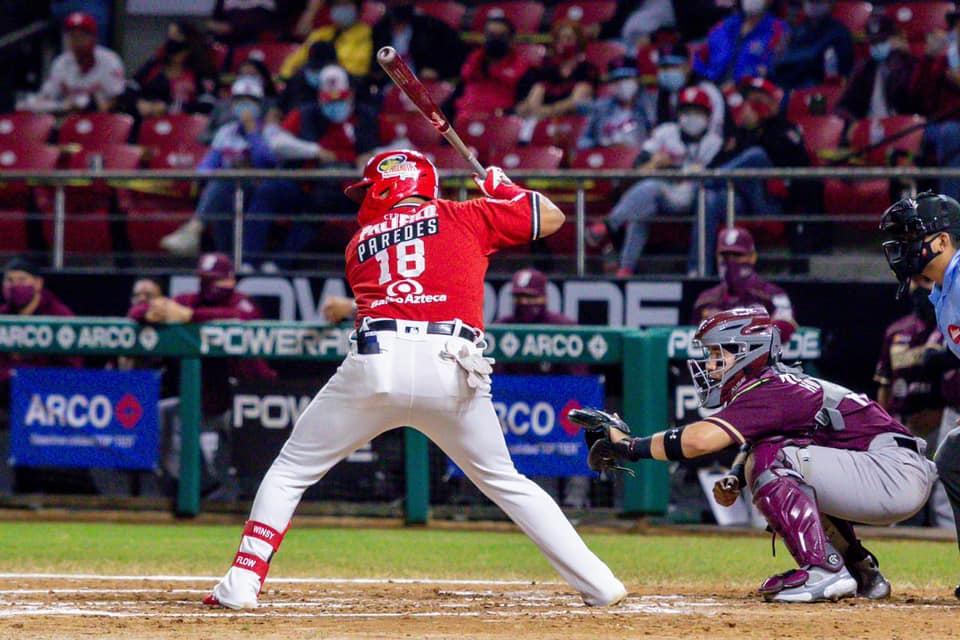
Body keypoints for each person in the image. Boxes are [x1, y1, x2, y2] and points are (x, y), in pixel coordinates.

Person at [202, 149, 627, 610]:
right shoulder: (466, 215)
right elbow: (552, 216)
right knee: (509, 482)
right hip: (454, 365)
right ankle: (599, 583)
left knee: (289, 472)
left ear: (390, 186)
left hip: (376, 362)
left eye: (369, 190)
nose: (364, 199)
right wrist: (504, 190)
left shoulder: (360, 242)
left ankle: (243, 582)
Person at [572, 307, 937, 602]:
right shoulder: (776, 384)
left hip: (892, 471)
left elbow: (698, 441)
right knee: (770, 459)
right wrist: (736, 472)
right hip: (893, 469)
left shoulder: (771, 386)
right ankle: (860, 571)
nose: (711, 365)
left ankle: (823, 570)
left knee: (772, 460)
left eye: (719, 354)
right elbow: (763, 440)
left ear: (747, 354)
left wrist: (628, 446)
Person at [130, 253, 276, 498]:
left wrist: (189, 317)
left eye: (217, 280)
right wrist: (151, 312)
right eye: (205, 279)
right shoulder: (190, 300)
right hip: (202, 406)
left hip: (243, 404)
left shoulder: (242, 302)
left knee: (254, 446)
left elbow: (242, 318)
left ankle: (254, 494)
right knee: (162, 414)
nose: (211, 285)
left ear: (230, 280)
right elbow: (139, 310)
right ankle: (196, 486)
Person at [879, 190, 960, 598]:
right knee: (952, 458)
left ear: (943, 241)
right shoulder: (943, 290)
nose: (906, 247)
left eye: (915, 236)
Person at [249, 63, 379, 270]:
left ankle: (280, 263)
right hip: (308, 184)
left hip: (352, 191)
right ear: (320, 95)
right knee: (269, 190)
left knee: (323, 201)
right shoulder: (305, 114)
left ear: (351, 94)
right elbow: (277, 143)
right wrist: (314, 151)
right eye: (329, 99)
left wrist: (375, 157)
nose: (335, 104)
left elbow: (403, 146)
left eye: (341, 98)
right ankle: (248, 260)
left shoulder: (367, 116)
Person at [586, 86, 724, 276]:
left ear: (708, 116)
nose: (691, 117)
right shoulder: (666, 132)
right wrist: (655, 163)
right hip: (663, 194)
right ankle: (626, 269)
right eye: (687, 111)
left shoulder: (714, 142)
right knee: (644, 207)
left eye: (697, 111)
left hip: (694, 197)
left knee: (655, 189)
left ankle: (607, 226)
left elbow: (713, 178)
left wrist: (688, 170)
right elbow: (637, 171)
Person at [689, 76, 811, 274]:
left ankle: (705, 182)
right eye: (751, 100)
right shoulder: (739, 134)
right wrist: (748, 131)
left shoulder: (785, 129)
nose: (754, 106)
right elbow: (717, 163)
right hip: (741, 202)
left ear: (773, 101)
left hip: (772, 204)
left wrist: (761, 131)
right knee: (709, 199)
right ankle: (698, 270)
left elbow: (799, 168)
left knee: (757, 156)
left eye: (760, 101)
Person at [160, 76, 277, 256]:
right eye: (239, 100)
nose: (244, 105)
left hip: (258, 191)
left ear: (259, 105)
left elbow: (266, 162)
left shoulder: (269, 131)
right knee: (222, 189)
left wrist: (252, 132)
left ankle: (194, 228)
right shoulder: (226, 131)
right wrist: (204, 177)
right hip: (227, 192)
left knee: (223, 182)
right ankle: (226, 261)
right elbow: (208, 163)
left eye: (249, 101)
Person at [691, 226, 798, 342]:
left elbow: (785, 327)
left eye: (737, 255)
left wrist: (741, 332)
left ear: (752, 257)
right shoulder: (706, 299)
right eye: (725, 256)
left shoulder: (773, 294)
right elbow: (692, 339)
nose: (730, 261)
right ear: (717, 257)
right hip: (718, 358)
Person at [0, 256, 83, 398]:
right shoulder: (3, 315)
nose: (15, 286)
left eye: (22, 280)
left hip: (46, 396)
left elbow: (71, 369)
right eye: (9, 280)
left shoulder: (59, 315)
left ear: (38, 283)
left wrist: (24, 376)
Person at [16, 12, 125, 114]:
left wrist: (89, 108)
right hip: (67, 120)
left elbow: (117, 100)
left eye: (81, 35)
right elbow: (46, 96)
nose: (76, 40)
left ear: (94, 37)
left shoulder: (109, 60)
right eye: (72, 35)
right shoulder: (61, 62)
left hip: (102, 123)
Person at [129, 21, 218, 120]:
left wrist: (169, 108)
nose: (171, 41)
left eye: (176, 36)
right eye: (169, 37)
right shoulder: (155, 64)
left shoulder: (201, 68)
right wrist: (139, 103)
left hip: (186, 124)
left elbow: (207, 104)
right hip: (151, 121)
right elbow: (131, 88)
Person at [834, 13, 915, 122]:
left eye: (882, 41)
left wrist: (898, 61)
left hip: (900, 125)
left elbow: (912, 100)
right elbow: (845, 105)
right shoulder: (863, 68)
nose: (876, 46)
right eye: (873, 42)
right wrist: (854, 124)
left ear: (895, 38)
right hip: (868, 127)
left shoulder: (909, 64)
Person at [515, 20, 598, 123]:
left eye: (569, 38)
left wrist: (548, 111)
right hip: (539, 119)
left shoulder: (586, 69)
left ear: (579, 42)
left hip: (571, 120)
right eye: (560, 38)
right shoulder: (545, 68)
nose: (564, 42)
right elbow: (533, 97)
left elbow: (577, 100)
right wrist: (529, 108)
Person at [453, 15, 533, 120]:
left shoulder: (523, 68)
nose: (494, 40)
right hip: (464, 120)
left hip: (500, 124)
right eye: (490, 35)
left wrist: (502, 113)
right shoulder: (472, 61)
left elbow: (522, 106)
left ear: (511, 39)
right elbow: (457, 95)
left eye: (501, 36)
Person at [692, 0, 788, 86]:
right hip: (711, 87)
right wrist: (704, 79)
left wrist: (743, 81)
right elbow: (700, 56)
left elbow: (773, 67)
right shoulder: (725, 25)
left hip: (749, 91)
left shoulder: (778, 30)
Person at [369, 0, 466, 86]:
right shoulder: (380, 29)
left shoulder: (431, 27)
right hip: (390, 87)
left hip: (426, 86)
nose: (398, 3)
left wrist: (439, 73)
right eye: (394, 2)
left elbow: (458, 58)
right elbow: (375, 66)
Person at [280, 0, 373, 81]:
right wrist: (284, 78)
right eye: (337, 5)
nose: (340, 9)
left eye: (345, 4)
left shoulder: (367, 35)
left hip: (343, 88)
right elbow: (293, 62)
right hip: (309, 87)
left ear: (357, 8)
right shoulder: (321, 34)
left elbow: (356, 70)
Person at [772, 0, 854, 90]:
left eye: (817, 2)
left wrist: (782, 59)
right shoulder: (801, 27)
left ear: (830, 4)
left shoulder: (838, 31)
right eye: (809, 1)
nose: (812, 5)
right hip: (790, 81)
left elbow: (814, 54)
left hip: (818, 84)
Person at [578, 56, 650, 150]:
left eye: (627, 78)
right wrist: (602, 145)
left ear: (637, 79)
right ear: (611, 84)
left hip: (642, 160)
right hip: (609, 159)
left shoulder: (650, 106)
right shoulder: (600, 109)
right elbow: (582, 143)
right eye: (617, 80)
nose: (622, 83)